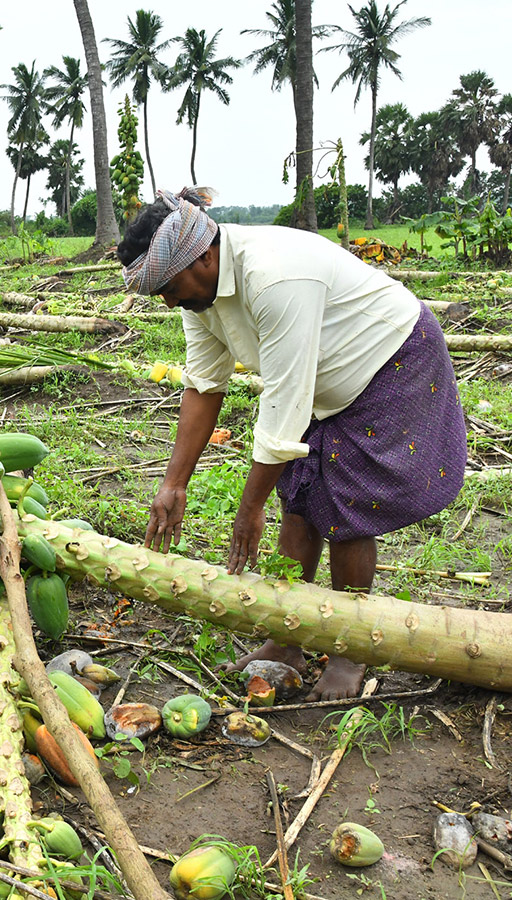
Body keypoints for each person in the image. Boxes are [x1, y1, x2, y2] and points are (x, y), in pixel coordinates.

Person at [117, 187, 467, 701]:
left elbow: (284, 405)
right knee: (300, 501)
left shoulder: (274, 277)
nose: (168, 301)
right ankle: (288, 638)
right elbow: (203, 385)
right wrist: (174, 484)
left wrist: (249, 507)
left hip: (390, 358)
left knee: (348, 507)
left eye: (168, 286)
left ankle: (350, 647)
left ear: (205, 255)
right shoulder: (198, 293)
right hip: (320, 381)